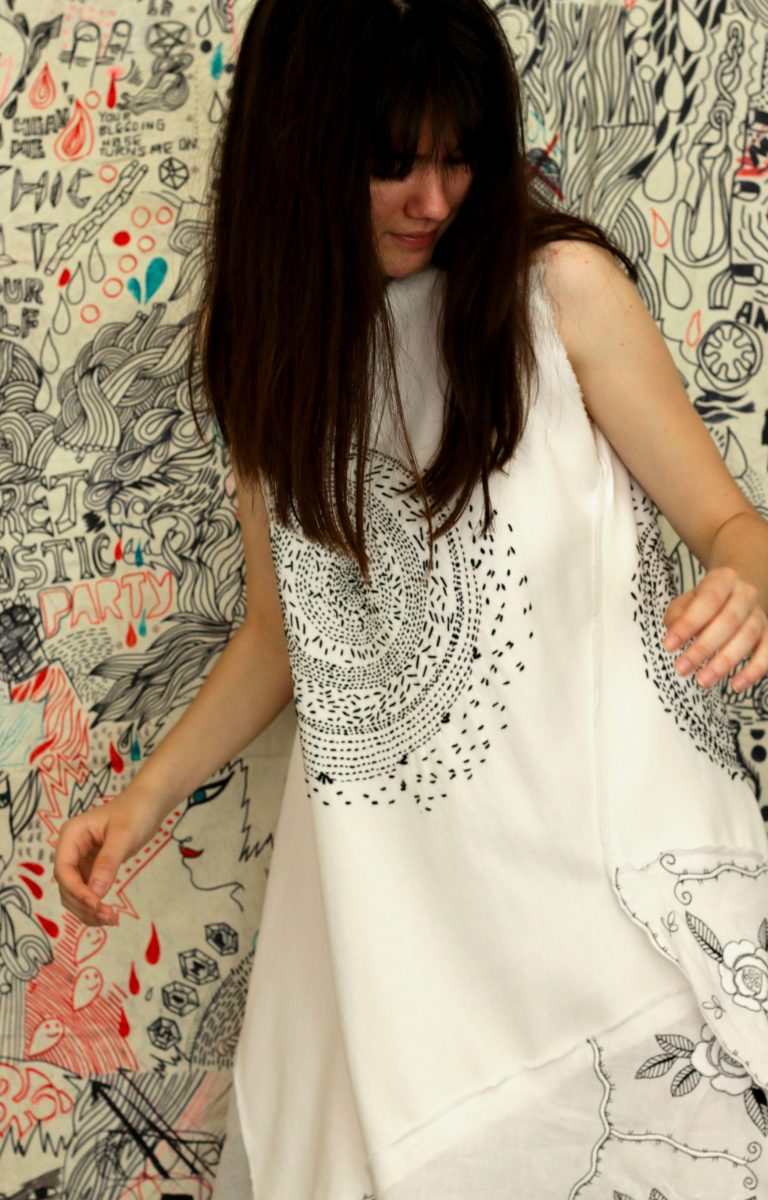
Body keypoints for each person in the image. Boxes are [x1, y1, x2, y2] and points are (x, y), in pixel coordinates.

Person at [55, 0, 768, 1196]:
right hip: (390, 941)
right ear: (300, 150)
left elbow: (730, 526)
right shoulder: (272, 354)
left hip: (607, 900)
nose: (435, 199)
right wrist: (142, 801)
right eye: (392, 161)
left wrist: (747, 584)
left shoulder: (560, 294)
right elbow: (286, 636)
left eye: (459, 156)